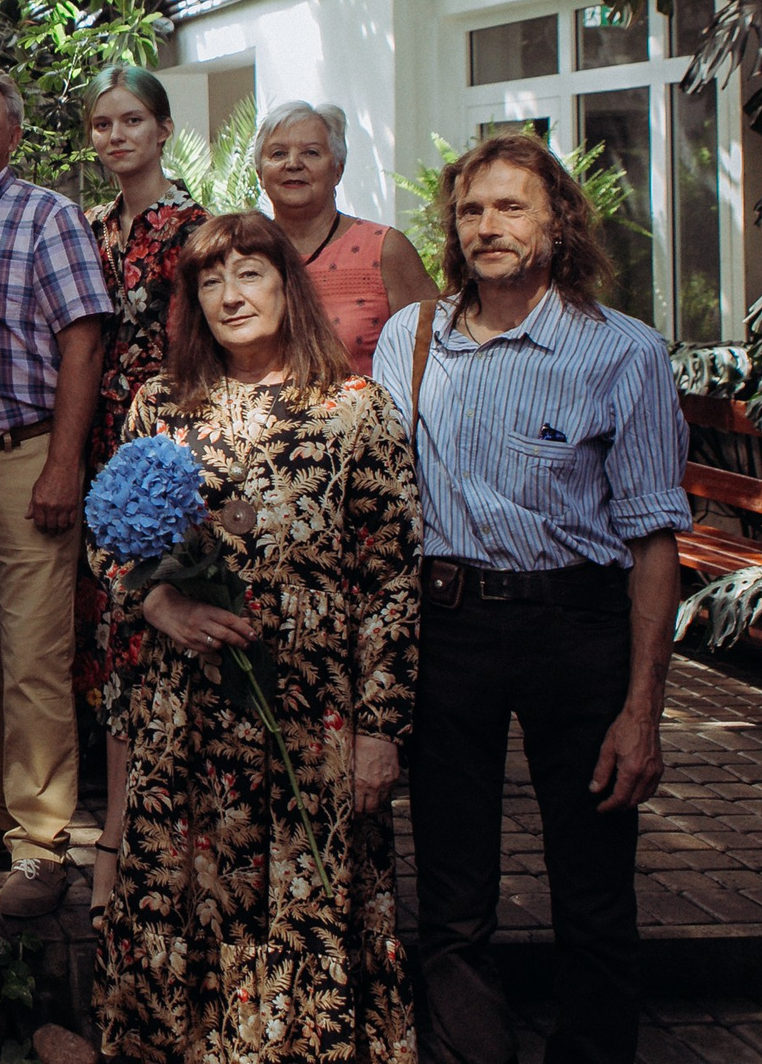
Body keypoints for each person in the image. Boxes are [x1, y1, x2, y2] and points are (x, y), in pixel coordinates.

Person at [371, 134, 689, 1064]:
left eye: (511, 207)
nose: (487, 226)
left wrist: (644, 710)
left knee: (593, 888)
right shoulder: (412, 337)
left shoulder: (620, 352)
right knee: (452, 890)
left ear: (558, 222)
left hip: (576, 628)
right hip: (447, 627)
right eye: (471, 210)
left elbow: (653, 541)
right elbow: (375, 495)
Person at [94, 210, 419, 1064]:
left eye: (250, 275)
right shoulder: (160, 405)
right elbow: (110, 544)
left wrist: (381, 728)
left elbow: (390, 577)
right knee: (187, 895)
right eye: (210, 280)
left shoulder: (355, 409)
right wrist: (158, 604)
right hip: (185, 712)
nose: (230, 295)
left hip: (310, 715)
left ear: (288, 286)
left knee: (301, 901)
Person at [0, 62, 112, 920]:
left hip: (23, 452)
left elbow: (83, 341)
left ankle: (44, 846)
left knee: (36, 659)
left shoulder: (48, 214)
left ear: (14, 133)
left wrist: (63, 462)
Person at [79, 64, 206, 908]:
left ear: (162, 129)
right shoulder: (90, 226)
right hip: (94, 439)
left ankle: (139, 838)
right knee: (112, 638)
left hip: (164, 442)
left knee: (159, 635)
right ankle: (121, 824)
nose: (117, 136)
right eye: (102, 124)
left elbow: (203, 342)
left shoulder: (193, 226)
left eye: (132, 120)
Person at [255, 101, 433, 376]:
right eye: (278, 154)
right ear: (260, 174)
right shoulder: (243, 253)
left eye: (311, 153)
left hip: (364, 416)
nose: (293, 164)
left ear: (337, 170)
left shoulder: (385, 249)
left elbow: (430, 356)